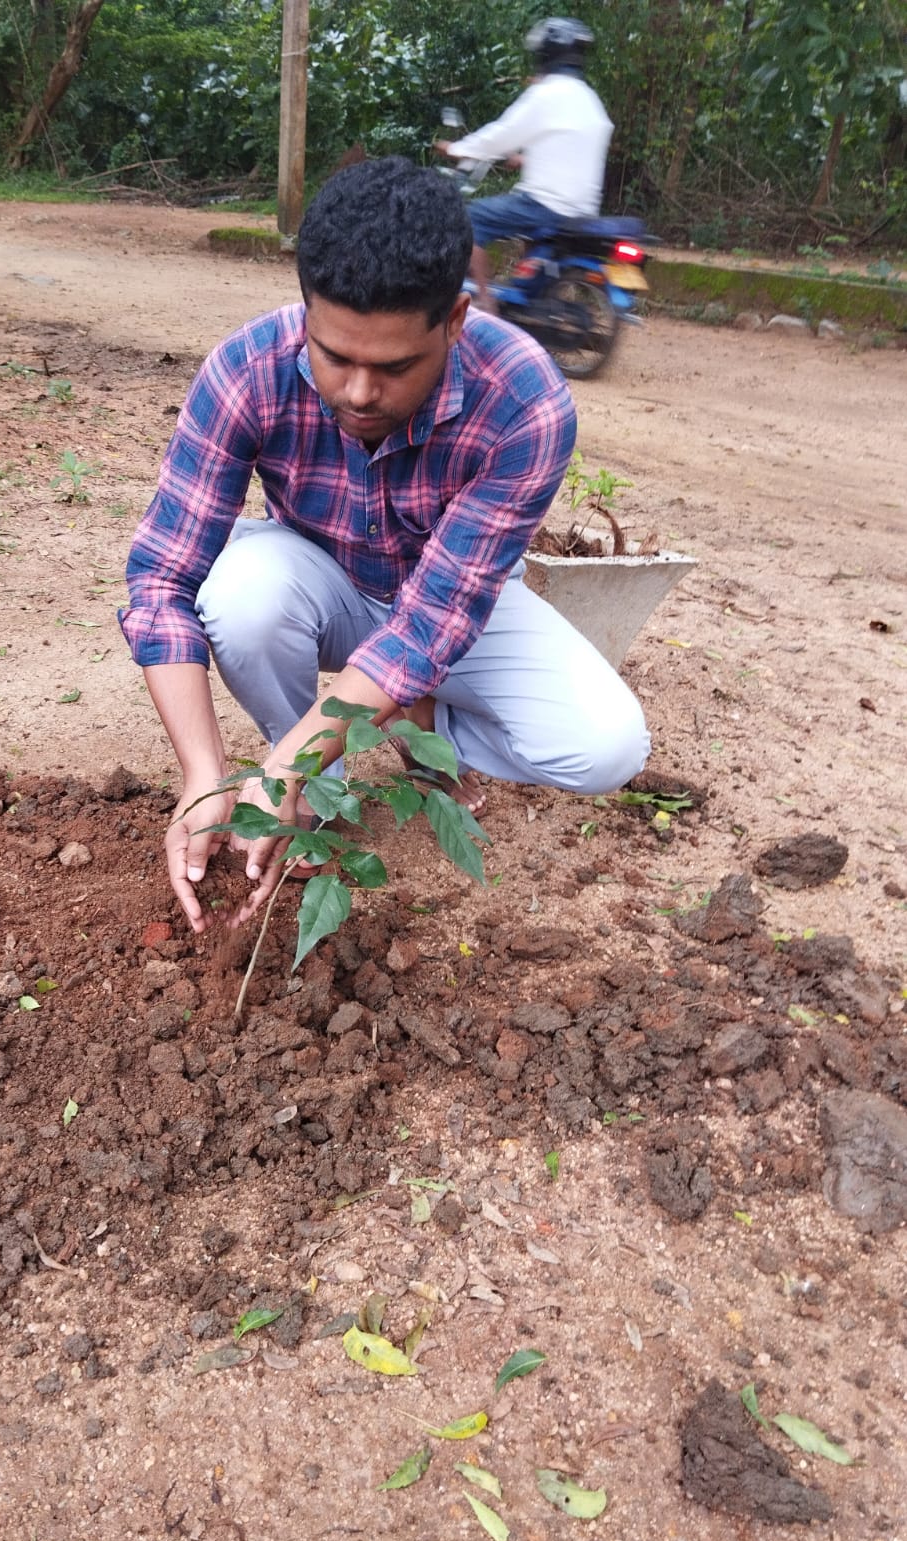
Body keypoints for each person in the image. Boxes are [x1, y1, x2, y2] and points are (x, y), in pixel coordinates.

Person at [119, 156, 648, 934]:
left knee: (605, 747)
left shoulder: (523, 400)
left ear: (456, 320)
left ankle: (395, 727)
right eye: (335, 357)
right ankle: (310, 773)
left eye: (395, 366)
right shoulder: (248, 370)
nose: (360, 393)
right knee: (240, 596)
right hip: (320, 580)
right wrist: (203, 774)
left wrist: (320, 741)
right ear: (306, 311)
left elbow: (433, 621)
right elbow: (162, 579)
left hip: (453, 602)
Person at [435, 17, 612, 308]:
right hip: (582, 209)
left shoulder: (546, 93)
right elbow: (569, 148)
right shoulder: (589, 99)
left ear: (544, 54)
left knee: (470, 219)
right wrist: (526, 158)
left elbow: (501, 134)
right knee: (526, 224)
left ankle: (486, 302)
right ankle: (528, 301)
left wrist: (458, 148)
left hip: (546, 206)